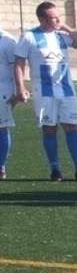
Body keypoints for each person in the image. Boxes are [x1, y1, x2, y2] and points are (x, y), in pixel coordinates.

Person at [13, 1, 77, 181]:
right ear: (42, 19)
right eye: (53, 18)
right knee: (49, 129)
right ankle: (55, 169)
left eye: (58, 17)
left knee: (72, 126)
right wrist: (21, 87)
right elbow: (19, 64)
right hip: (44, 92)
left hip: (67, 90)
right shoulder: (29, 36)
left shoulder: (61, 35)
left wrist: (64, 26)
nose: (57, 20)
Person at [0, 26, 18, 180]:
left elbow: (17, 67)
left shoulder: (7, 40)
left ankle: (1, 166)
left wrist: (18, 90)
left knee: (1, 128)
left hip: (2, 90)